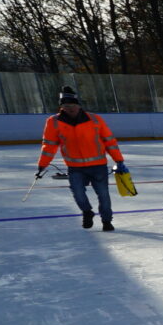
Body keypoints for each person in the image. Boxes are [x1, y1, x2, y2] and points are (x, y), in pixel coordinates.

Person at [35, 88, 127, 230]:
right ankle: (87, 212)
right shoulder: (53, 122)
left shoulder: (95, 119)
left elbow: (109, 141)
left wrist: (119, 160)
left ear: (78, 105)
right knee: (78, 194)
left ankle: (106, 221)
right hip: (75, 168)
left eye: (73, 105)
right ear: (61, 107)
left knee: (103, 195)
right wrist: (42, 165)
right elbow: (49, 146)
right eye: (66, 106)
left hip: (98, 166)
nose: (70, 108)